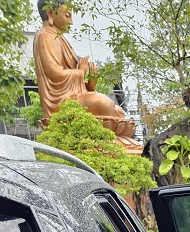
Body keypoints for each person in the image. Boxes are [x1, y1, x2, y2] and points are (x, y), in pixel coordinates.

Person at [33, 0, 140, 148]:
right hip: (62, 106)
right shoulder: (46, 36)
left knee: (117, 110)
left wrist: (89, 85)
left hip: (73, 98)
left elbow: (71, 84)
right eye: (67, 15)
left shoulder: (60, 38)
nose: (70, 22)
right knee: (103, 103)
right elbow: (54, 74)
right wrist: (81, 72)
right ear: (50, 12)